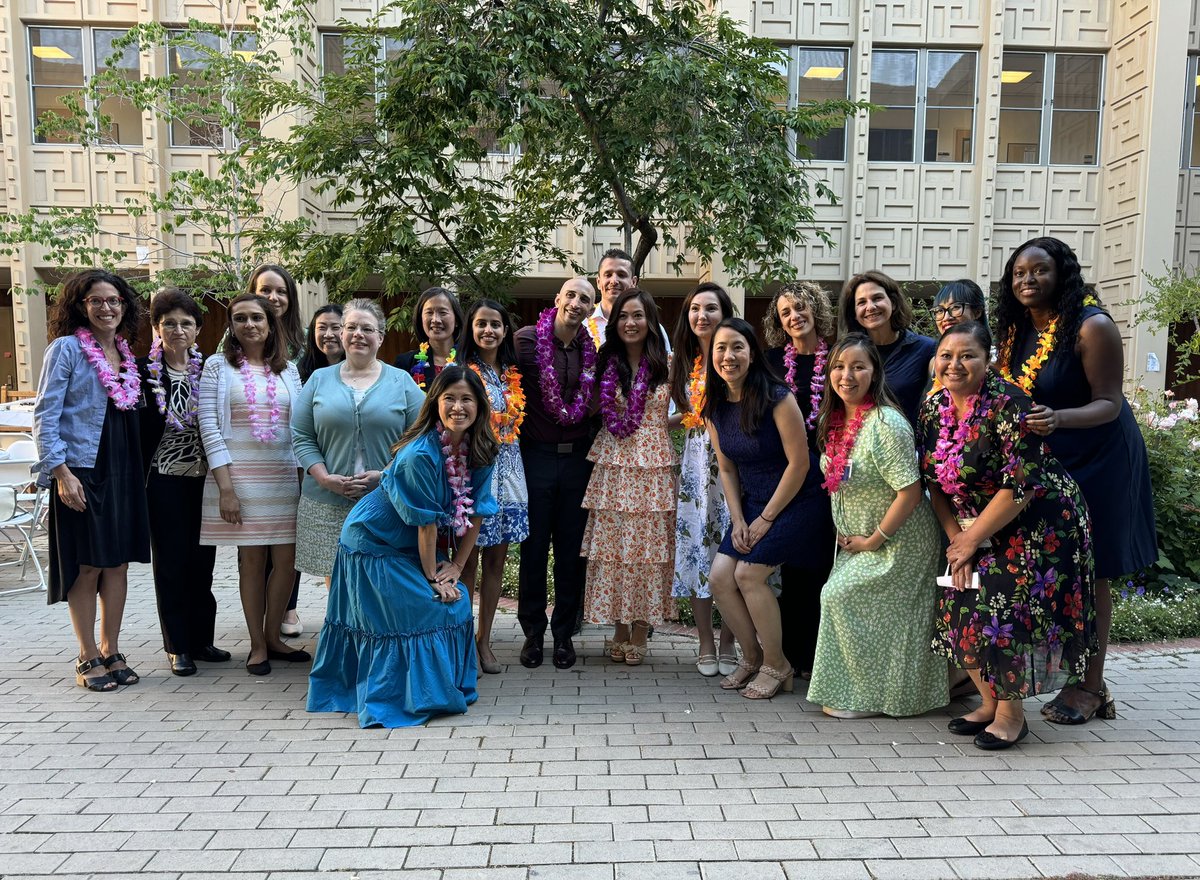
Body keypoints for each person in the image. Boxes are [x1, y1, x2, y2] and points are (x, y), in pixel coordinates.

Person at [994, 237, 1154, 726]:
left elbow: (1109, 402)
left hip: (1100, 457)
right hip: (1051, 460)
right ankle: (1064, 673)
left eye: (1038, 271)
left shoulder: (1092, 326)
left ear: (1062, 274)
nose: (1027, 280)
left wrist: (1058, 419)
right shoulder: (1017, 329)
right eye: (1019, 272)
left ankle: (1091, 686)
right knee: (1055, 567)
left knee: (1092, 569)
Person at [920, 321, 1098, 749]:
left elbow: (1019, 486)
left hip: (1037, 520)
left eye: (967, 356)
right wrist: (956, 541)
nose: (955, 364)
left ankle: (1011, 715)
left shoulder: (1010, 405)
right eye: (947, 355)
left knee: (1002, 604)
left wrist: (970, 540)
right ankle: (986, 702)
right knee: (959, 596)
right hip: (974, 522)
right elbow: (934, 483)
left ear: (988, 359)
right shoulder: (933, 408)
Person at [307, 366, 499, 728]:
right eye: (449, 399)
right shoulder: (421, 455)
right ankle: (400, 694)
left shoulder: (483, 448)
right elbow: (426, 525)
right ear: (435, 404)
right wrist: (433, 578)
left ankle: (442, 687)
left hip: (410, 544)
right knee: (431, 606)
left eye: (467, 399)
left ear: (480, 406)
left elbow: (477, 514)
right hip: (373, 543)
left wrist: (456, 567)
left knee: (455, 606)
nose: (458, 407)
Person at [805, 334, 947, 719]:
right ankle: (858, 690)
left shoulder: (886, 423)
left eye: (858, 366)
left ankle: (872, 697)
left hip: (899, 542)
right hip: (859, 540)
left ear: (874, 373)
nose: (847, 375)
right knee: (847, 603)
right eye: (838, 366)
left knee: (839, 597)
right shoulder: (834, 422)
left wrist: (874, 539)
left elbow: (911, 493)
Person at [703, 318, 834, 700]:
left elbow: (800, 464)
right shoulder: (713, 405)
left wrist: (765, 519)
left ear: (752, 353)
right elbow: (726, 467)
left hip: (798, 499)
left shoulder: (777, 395)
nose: (729, 356)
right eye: (721, 348)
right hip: (753, 502)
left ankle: (778, 663)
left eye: (737, 347)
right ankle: (754, 656)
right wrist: (739, 518)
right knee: (719, 579)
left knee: (748, 574)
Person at [33, 270, 151, 691]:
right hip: (82, 467)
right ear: (79, 306)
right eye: (96, 301)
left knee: (116, 562)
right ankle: (86, 655)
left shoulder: (124, 352)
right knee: (86, 565)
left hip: (123, 467)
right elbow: (45, 415)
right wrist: (60, 472)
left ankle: (111, 648)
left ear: (125, 306)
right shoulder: (66, 349)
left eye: (114, 300)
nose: (107, 307)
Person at [198, 292, 305, 676]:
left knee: (287, 562)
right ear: (231, 326)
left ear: (270, 322)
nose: (249, 324)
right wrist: (226, 488)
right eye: (240, 318)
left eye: (256, 317)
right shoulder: (216, 367)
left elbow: (300, 428)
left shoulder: (288, 369)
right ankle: (257, 644)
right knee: (252, 563)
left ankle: (274, 635)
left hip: (283, 478)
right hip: (239, 478)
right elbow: (209, 427)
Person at [291, 299, 424, 586]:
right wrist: (323, 477)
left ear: (380, 337)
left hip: (385, 500)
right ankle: (344, 631)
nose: (358, 334)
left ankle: (374, 632)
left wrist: (386, 475)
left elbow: (421, 437)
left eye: (367, 328)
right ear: (342, 335)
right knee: (337, 579)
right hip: (328, 499)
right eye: (350, 327)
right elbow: (301, 434)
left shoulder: (401, 382)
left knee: (379, 578)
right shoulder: (318, 379)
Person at [582, 288, 676, 665]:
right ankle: (618, 629)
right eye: (623, 316)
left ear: (650, 321)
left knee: (648, 552)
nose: (630, 323)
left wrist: (659, 425)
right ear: (614, 322)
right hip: (614, 462)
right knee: (615, 549)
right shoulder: (606, 364)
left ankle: (640, 629)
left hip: (653, 464)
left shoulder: (669, 363)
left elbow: (692, 407)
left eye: (637, 315)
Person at [138, 289, 228, 677]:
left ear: (198, 329)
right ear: (157, 328)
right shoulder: (142, 373)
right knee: (172, 563)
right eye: (169, 323)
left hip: (204, 481)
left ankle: (201, 640)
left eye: (186, 323)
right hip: (163, 482)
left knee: (202, 561)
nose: (178, 330)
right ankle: (177, 646)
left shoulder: (210, 369)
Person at [514, 277, 598, 670]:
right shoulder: (526, 341)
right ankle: (533, 632)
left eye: (586, 299)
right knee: (533, 549)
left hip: (579, 460)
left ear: (590, 308)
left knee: (571, 551)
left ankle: (564, 633)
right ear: (557, 299)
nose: (577, 303)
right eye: (572, 295)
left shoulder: (591, 350)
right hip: (536, 458)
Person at [762, 281, 838, 680]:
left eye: (801, 307)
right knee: (792, 570)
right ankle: (791, 656)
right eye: (786, 311)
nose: (795, 316)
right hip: (789, 473)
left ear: (817, 308)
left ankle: (821, 657)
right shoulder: (773, 361)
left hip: (831, 474)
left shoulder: (838, 355)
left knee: (822, 566)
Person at [668, 282, 737, 676]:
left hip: (733, 460)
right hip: (696, 463)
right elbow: (686, 415)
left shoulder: (736, 354)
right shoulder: (683, 360)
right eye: (695, 309)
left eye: (710, 308)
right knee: (696, 551)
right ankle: (706, 644)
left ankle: (730, 642)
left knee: (730, 548)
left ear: (725, 312)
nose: (702, 316)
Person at [458, 299, 529, 674]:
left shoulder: (510, 373)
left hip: (511, 470)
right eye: (481, 324)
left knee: (496, 561)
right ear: (470, 328)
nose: (489, 330)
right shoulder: (462, 372)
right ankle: (460, 640)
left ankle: (484, 641)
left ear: (505, 331)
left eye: (496, 324)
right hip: (475, 472)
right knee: (466, 561)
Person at [245, 264, 306, 637]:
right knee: (255, 550)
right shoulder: (238, 342)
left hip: (292, 454)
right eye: (265, 289)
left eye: (281, 291)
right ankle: (259, 624)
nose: (273, 298)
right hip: (253, 460)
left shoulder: (301, 345)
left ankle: (287, 608)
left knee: (288, 543)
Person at [838, 270, 935, 429]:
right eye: (861, 302)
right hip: (856, 446)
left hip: (903, 445)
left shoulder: (925, 348)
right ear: (854, 313)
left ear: (894, 303)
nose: (870, 307)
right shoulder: (846, 353)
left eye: (877, 298)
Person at [590, 248, 671, 352]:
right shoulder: (583, 325)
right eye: (608, 275)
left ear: (633, 282)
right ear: (598, 282)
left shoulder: (651, 328)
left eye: (621, 275)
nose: (614, 281)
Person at [394, 286, 464, 388]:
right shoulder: (405, 363)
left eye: (443, 312)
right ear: (421, 319)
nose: (435, 319)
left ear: (456, 319)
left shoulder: (471, 360)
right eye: (429, 312)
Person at [297, 304, 345, 384]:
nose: (328, 334)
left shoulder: (359, 373)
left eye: (335, 327)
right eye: (322, 328)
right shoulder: (301, 372)